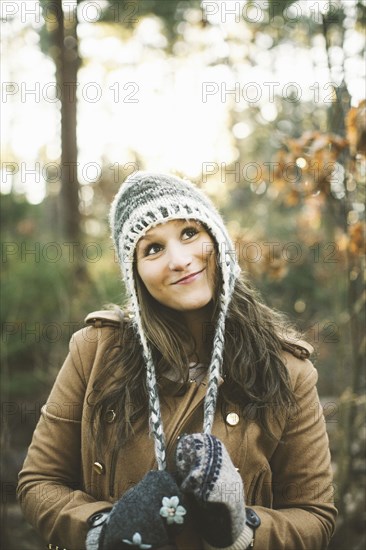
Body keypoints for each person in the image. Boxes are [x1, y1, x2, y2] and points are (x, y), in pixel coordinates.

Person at [17, 172, 337, 550]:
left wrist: (244, 528)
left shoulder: (288, 370)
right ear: (134, 273)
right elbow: (38, 482)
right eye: (152, 248)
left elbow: (315, 514)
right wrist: (101, 527)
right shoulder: (95, 351)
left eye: (189, 233)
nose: (180, 261)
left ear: (217, 240)